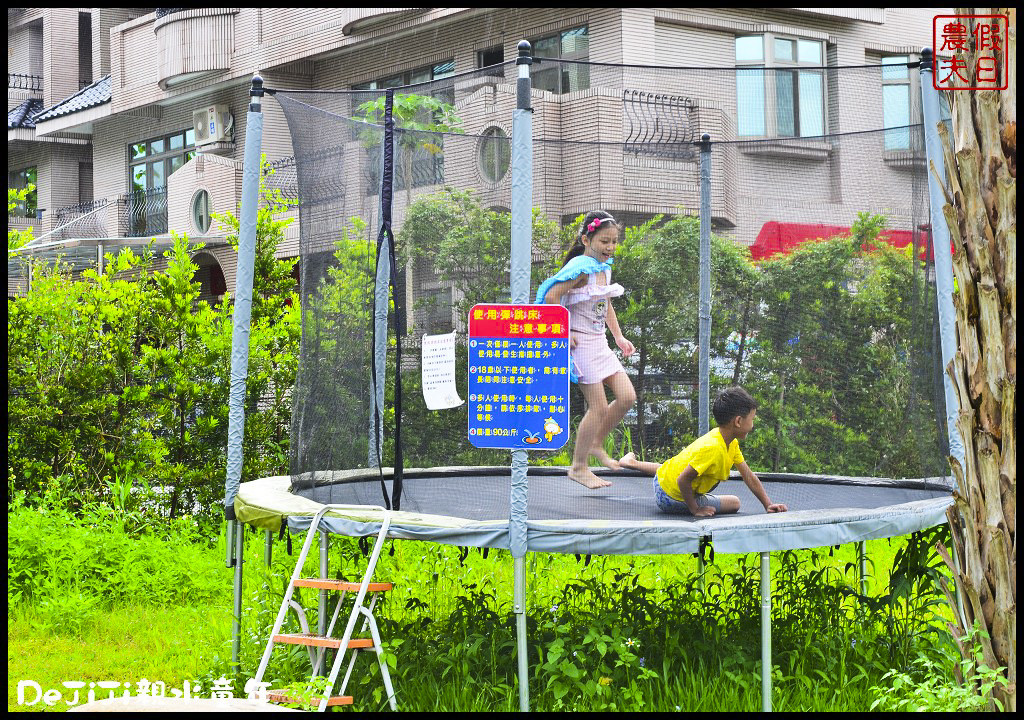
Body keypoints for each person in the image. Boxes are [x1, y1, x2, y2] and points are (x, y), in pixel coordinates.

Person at [536, 211, 636, 489]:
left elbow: (605, 305)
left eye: (615, 241)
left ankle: (595, 443)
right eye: (605, 241)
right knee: (599, 406)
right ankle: (578, 467)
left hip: (599, 342)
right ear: (586, 239)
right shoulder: (580, 268)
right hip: (578, 343)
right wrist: (563, 331)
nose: (610, 247)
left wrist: (619, 336)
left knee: (627, 397)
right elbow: (551, 296)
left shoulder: (603, 268)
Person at [619, 386, 789, 516]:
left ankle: (630, 462)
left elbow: (749, 477)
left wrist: (768, 504)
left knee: (670, 467)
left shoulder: (729, 441)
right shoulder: (713, 448)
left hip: (665, 478)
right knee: (734, 503)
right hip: (670, 498)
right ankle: (631, 463)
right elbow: (682, 480)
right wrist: (695, 509)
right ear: (738, 421)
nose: (753, 423)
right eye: (752, 419)